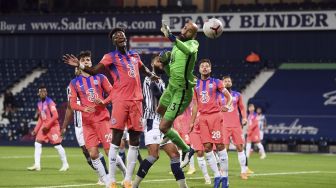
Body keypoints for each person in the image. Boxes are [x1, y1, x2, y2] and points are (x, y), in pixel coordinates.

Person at [63, 28, 158, 188]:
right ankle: (111, 180)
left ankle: (127, 179)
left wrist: (150, 74)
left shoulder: (135, 55)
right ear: (113, 41)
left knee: (134, 141)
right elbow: (92, 71)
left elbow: (142, 68)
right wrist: (78, 65)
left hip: (135, 102)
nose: (119, 37)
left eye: (121, 34)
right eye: (116, 36)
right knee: (114, 142)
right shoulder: (110, 57)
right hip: (118, 103)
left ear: (125, 37)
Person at [67, 51, 126, 186]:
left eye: (88, 59)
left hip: (102, 120)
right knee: (93, 154)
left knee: (108, 151)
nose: (87, 61)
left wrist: (104, 102)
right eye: (84, 60)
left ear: (91, 63)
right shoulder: (74, 83)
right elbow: (72, 104)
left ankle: (124, 172)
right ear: (80, 64)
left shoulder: (100, 77)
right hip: (87, 123)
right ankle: (106, 181)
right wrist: (83, 108)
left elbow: (113, 93)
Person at [133, 55, 188, 188]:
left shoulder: (162, 82)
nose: (161, 63)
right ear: (152, 64)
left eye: (163, 62)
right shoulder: (148, 79)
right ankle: (134, 186)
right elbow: (158, 95)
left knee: (175, 155)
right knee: (153, 155)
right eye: (158, 61)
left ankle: (184, 187)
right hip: (152, 120)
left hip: (163, 121)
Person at [157, 20, 199, 168]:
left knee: (163, 126)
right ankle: (168, 134)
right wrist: (164, 63)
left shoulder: (193, 45)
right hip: (171, 87)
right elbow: (171, 73)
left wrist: (170, 36)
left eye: (188, 30)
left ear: (193, 35)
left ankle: (187, 150)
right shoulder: (175, 48)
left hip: (182, 91)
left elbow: (188, 51)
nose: (184, 30)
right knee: (160, 110)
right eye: (184, 28)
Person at [61, 67, 108, 185]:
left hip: (94, 120)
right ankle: (101, 175)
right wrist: (64, 126)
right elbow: (69, 107)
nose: (77, 69)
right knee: (87, 152)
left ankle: (105, 175)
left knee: (100, 149)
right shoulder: (72, 86)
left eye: (79, 67)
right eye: (76, 68)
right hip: (79, 124)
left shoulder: (93, 81)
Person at [190, 59, 232, 188]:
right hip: (202, 118)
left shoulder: (216, 82)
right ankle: (217, 176)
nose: (204, 68)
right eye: (202, 66)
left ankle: (225, 177)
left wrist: (227, 105)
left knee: (219, 146)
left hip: (215, 116)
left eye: (207, 66)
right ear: (199, 69)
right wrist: (192, 122)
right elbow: (195, 105)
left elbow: (229, 96)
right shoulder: (195, 85)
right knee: (207, 147)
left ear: (210, 69)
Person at [27, 85, 69, 171]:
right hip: (44, 127)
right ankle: (37, 165)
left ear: (46, 93)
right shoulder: (39, 104)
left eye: (44, 91)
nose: (43, 93)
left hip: (53, 126)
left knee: (57, 145)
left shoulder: (50, 102)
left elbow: (56, 116)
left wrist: (47, 126)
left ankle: (65, 164)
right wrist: (35, 130)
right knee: (37, 143)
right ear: (38, 93)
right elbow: (41, 118)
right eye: (41, 91)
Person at [221, 75, 251, 180]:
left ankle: (243, 171)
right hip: (223, 126)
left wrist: (244, 118)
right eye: (225, 81)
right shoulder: (218, 95)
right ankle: (223, 172)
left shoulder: (237, 95)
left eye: (229, 81)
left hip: (236, 125)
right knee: (224, 150)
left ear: (231, 83)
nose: (228, 82)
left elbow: (242, 108)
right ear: (222, 83)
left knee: (240, 147)